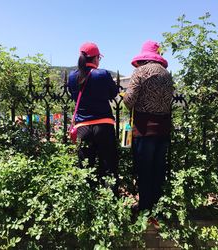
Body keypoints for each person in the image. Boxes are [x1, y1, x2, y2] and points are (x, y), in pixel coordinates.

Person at [123, 40, 174, 211]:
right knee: (158, 169)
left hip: (144, 129)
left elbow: (129, 102)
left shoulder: (140, 72)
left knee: (144, 169)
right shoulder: (167, 74)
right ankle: (158, 206)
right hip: (164, 128)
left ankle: (145, 206)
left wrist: (124, 95)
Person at [68, 42, 119, 194]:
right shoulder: (102, 74)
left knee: (85, 169)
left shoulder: (72, 77)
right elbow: (113, 93)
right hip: (104, 125)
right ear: (96, 58)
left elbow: (73, 96)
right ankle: (110, 203)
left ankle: (87, 204)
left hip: (82, 127)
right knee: (109, 166)